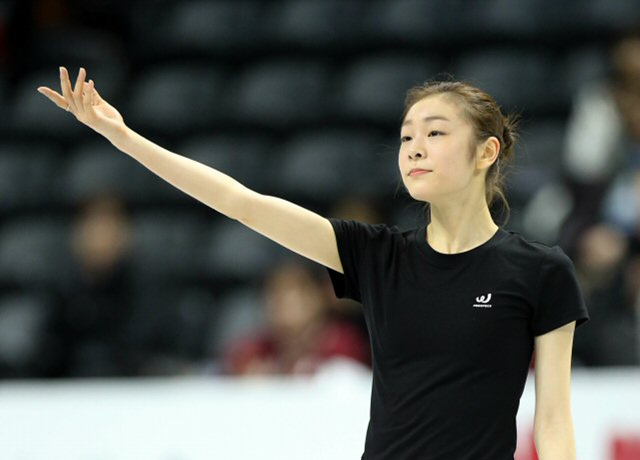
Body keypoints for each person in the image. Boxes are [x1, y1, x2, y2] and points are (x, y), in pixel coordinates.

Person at [38, 67, 590, 459]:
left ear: (486, 152)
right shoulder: (377, 255)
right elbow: (240, 202)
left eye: (435, 133)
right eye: (406, 137)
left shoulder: (539, 271)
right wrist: (122, 135)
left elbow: (554, 420)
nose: (414, 147)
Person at [221, 258, 370, 376]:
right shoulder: (254, 351)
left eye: (294, 292)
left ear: (318, 297)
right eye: (274, 293)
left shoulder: (345, 345)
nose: (283, 302)